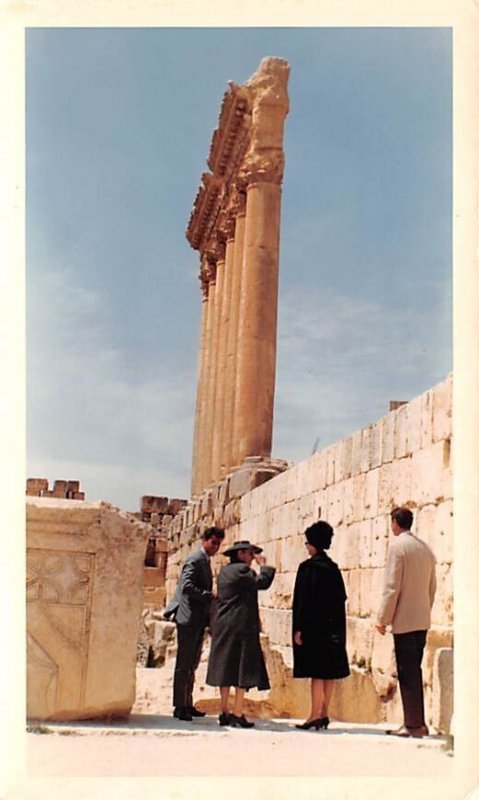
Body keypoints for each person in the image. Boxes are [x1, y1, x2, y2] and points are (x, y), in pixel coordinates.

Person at [376, 506, 436, 738]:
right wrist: (424, 611)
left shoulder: (398, 548)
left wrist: (382, 619)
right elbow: (432, 588)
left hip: (404, 621)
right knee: (414, 670)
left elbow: (392, 587)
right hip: (421, 620)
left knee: (406, 671)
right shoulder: (426, 550)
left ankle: (413, 725)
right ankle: (418, 722)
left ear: (395, 522)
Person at [206, 540, 275, 728]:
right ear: (241, 554)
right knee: (241, 668)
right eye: (251, 554)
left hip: (223, 625)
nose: (253, 557)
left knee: (225, 666)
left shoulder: (224, 572)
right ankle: (237, 712)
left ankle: (224, 710)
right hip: (240, 627)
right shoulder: (243, 572)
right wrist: (265, 567)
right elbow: (263, 583)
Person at [292, 520, 350, 730]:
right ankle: (324, 713)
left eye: (307, 542)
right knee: (328, 672)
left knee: (317, 673)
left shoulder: (307, 568)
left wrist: (299, 628)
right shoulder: (333, 569)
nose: (306, 546)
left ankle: (313, 715)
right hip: (332, 627)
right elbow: (341, 598)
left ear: (313, 544)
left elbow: (301, 602)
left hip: (313, 628)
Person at [164, 526, 225, 721]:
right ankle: (179, 706)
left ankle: (187, 703)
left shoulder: (203, 561)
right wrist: (209, 596)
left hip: (197, 620)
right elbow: (187, 587)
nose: (216, 547)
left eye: (218, 544)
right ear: (204, 540)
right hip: (188, 619)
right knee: (184, 663)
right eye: (213, 542)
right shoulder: (195, 559)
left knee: (192, 663)